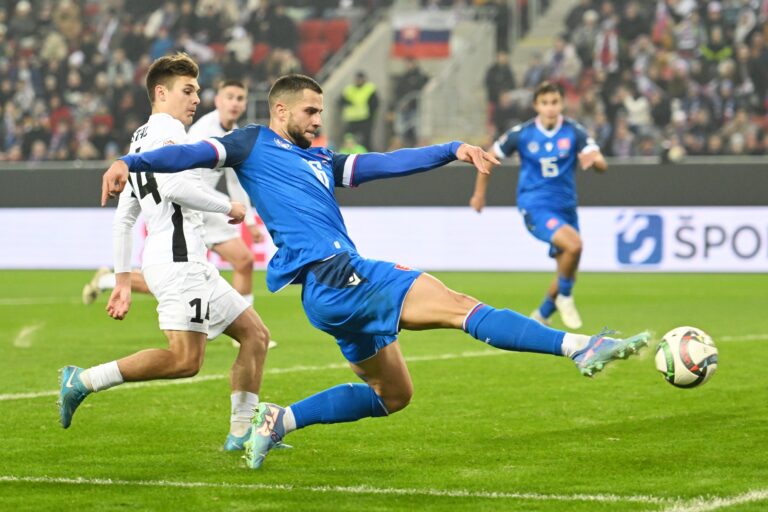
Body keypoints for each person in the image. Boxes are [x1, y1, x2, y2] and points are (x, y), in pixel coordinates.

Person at [100, 74, 649, 470]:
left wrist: (452, 150)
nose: (319, 120)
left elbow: (387, 162)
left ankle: (278, 421)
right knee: (460, 306)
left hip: (329, 295)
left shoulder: (322, 160)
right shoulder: (250, 144)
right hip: (338, 274)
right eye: (311, 112)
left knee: (393, 395)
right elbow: (187, 155)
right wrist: (134, 162)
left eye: (321, 112)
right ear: (283, 111)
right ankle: (579, 347)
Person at [60, 54, 273, 453]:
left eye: (196, 91)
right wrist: (230, 208)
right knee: (184, 360)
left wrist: (123, 280)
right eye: (187, 90)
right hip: (178, 262)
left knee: (256, 336)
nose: (196, 99)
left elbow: (125, 219)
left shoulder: (139, 140)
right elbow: (174, 189)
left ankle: (242, 433)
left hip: (184, 260)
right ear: (161, 92)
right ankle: (84, 380)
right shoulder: (170, 131)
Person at [81, 80, 264, 308]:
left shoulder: (233, 134)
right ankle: (243, 325)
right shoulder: (199, 131)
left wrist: (249, 221)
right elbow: (181, 183)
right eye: (229, 97)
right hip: (194, 205)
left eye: (240, 98)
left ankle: (109, 280)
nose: (235, 103)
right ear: (217, 100)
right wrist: (226, 206)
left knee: (187, 277)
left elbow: (234, 182)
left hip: (199, 207)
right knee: (229, 264)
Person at [469, 81, 608, 329]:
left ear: (562, 104)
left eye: (554, 102)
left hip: (566, 206)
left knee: (568, 268)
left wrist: (594, 161)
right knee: (574, 245)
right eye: (545, 103)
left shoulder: (574, 132)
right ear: (536, 105)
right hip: (535, 205)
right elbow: (488, 157)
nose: (550, 108)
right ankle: (564, 298)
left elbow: (601, 164)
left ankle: (541, 316)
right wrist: (479, 194)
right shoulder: (522, 134)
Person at [339, 71, 379, 151]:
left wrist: (371, 117)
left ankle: (369, 156)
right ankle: (347, 157)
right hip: (351, 119)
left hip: (365, 119)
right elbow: (340, 101)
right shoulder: (349, 89)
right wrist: (347, 103)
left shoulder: (369, 89)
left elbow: (375, 103)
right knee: (348, 139)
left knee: (366, 140)